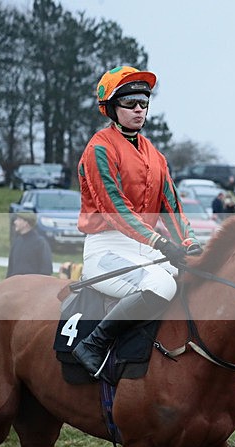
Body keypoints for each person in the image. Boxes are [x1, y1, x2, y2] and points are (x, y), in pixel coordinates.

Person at [71, 65, 202, 379]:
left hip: (145, 249)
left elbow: (171, 207)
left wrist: (190, 243)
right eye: (130, 103)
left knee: (196, 279)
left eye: (144, 103)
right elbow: (113, 208)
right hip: (106, 249)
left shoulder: (155, 155)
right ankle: (93, 344)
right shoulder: (99, 148)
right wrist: (159, 242)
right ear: (113, 108)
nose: (139, 109)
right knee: (161, 285)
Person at [6, 212, 53, 278]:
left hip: (33, 286)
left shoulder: (40, 243)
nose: (15, 222)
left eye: (19, 219)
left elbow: (46, 270)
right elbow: (10, 268)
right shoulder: (17, 241)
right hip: (15, 285)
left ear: (26, 223)